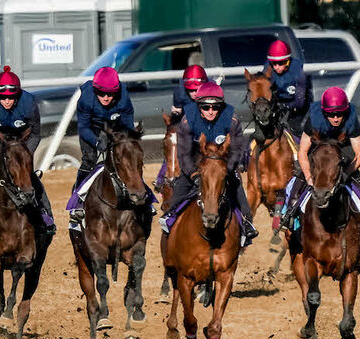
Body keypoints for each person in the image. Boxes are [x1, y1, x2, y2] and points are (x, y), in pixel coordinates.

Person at [163, 81, 259, 240]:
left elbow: (236, 149)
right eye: (206, 107)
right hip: (196, 164)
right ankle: (170, 217)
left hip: (222, 165)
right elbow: (184, 153)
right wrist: (193, 175)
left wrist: (227, 169)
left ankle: (246, 222)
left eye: (215, 107)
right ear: (199, 106)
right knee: (177, 194)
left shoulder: (232, 120)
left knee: (236, 185)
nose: (211, 111)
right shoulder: (187, 121)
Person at [0, 66, 54, 235]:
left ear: (17, 95)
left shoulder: (29, 104)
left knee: (29, 177)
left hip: (22, 144)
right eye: (3, 97)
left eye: (11, 97)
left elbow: (36, 135)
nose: (7, 101)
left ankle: (46, 215)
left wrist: (23, 156)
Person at [280, 86, 360, 231]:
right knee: (298, 177)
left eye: (339, 114)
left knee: (357, 178)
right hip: (318, 146)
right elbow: (302, 152)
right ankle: (288, 213)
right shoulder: (314, 118)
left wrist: (347, 173)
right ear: (324, 112)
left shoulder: (351, 118)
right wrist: (309, 177)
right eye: (331, 115)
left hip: (343, 147)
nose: (336, 119)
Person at [70, 67, 147, 223]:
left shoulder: (123, 97)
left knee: (130, 159)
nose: (106, 98)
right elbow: (83, 128)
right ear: (95, 90)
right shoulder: (85, 98)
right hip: (91, 129)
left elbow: (128, 127)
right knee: (89, 160)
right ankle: (77, 203)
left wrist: (124, 143)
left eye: (110, 94)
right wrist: (98, 142)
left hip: (116, 128)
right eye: (101, 93)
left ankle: (144, 197)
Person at [156, 65, 208, 191]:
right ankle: (161, 177)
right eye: (191, 90)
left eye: (197, 90)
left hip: (207, 124)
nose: (194, 93)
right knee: (173, 141)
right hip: (186, 123)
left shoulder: (211, 90)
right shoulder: (179, 91)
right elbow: (177, 114)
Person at [262, 40, 312, 138]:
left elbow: (300, 101)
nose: (276, 67)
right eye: (274, 63)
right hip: (278, 104)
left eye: (280, 63)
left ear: (288, 61)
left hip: (299, 106)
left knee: (294, 128)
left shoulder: (297, 69)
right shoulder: (268, 67)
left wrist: (284, 106)